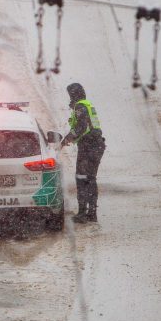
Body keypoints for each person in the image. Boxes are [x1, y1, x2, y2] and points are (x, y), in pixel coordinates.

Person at [62, 83, 106, 223]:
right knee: (90, 178)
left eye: (70, 94)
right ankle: (92, 213)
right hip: (97, 145)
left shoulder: (80, 106)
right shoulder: (85, 104)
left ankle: (82, 213)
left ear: (73, 94)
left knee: (82, 178)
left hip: (88, 146)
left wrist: (67, 139)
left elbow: (81, 126)